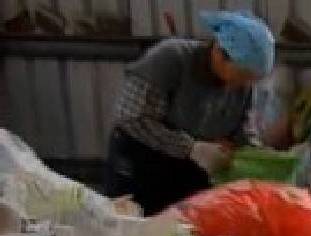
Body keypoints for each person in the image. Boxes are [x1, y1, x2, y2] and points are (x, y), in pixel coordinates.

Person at [105, 11, 275, 214]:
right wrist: (192, 148)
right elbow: (133, 119)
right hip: (141, 165)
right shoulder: (170, 59)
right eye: (243, 75)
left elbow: (242, 129)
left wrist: (259, 156)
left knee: (188, 231)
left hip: (190, 170)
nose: (246, 83)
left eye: (252, 78)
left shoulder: (243, 85)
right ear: (220, 54)